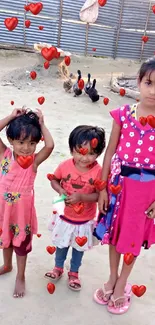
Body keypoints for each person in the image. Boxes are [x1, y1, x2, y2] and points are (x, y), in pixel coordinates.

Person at [93, 56, 155, 314]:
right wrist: (103, 188)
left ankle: (122, 284)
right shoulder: (123, 114)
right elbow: (109, 152)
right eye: (149, 82)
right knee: (113, 235)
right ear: (139, 82)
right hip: (118, 186)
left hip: (147, 193)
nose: (153, 91)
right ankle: (111, 277)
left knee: (132, 239)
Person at [0, 108, 54, 298]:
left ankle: (21, 276)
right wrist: (11, 117)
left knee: (21, 244)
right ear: (11, 140)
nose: (26, 147)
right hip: (4, 210)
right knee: (5, 240)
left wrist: (41, 123)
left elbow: (50, 145)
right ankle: (7, 265)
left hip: (22, 213)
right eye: (21, 142)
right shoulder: (4, 156)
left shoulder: (33, 162)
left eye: (31, 143)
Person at [45, 125, 106, 291]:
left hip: (84, 221)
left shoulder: (99, 172)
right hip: (65, 217)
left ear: (98, 153)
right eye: (80, 152)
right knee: (61, 245)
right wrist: (60, 190)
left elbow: (99, 195)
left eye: (92, 153)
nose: (85, 158)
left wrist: (82, 197)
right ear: (72, 149)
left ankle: (74, 273)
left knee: (79, 249)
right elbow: (54, 180)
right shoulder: (65, 165)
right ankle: (57, 268)